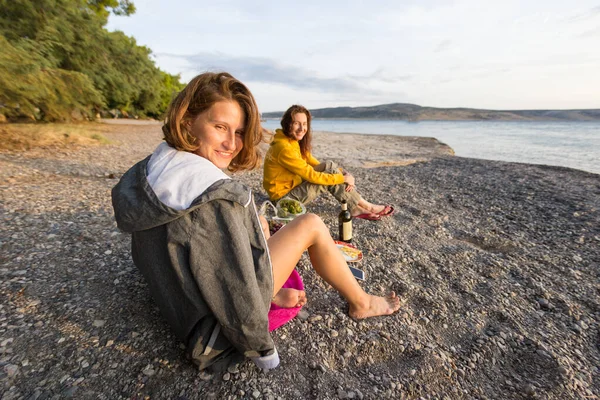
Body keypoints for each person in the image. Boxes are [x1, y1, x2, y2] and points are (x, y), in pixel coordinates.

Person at [111, 72, 400, 372]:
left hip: (182, 295)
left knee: (261, 224)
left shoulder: (155, 169)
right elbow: (235, 289)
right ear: (187, 122)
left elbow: (207, 254)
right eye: (220, 126)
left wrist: (253, 225)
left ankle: (280, 280)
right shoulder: (219, 199)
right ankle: (361, 302)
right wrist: (262, 350)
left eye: (238, 132)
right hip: (211, 327)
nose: (231, 143)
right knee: (311, 223)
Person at [263, 105, 394, 220]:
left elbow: (313, 162)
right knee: (328, 176)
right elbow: (311, 175)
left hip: (291, 188)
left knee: (329, 165)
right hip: (283, 201)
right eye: (296, 123)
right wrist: (342, 178)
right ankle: (364, 206)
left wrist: (343, 173)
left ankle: (357, 206)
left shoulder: (290, 141)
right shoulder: (284, 148)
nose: (301, 128)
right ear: (287, 124)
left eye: (304, 124)